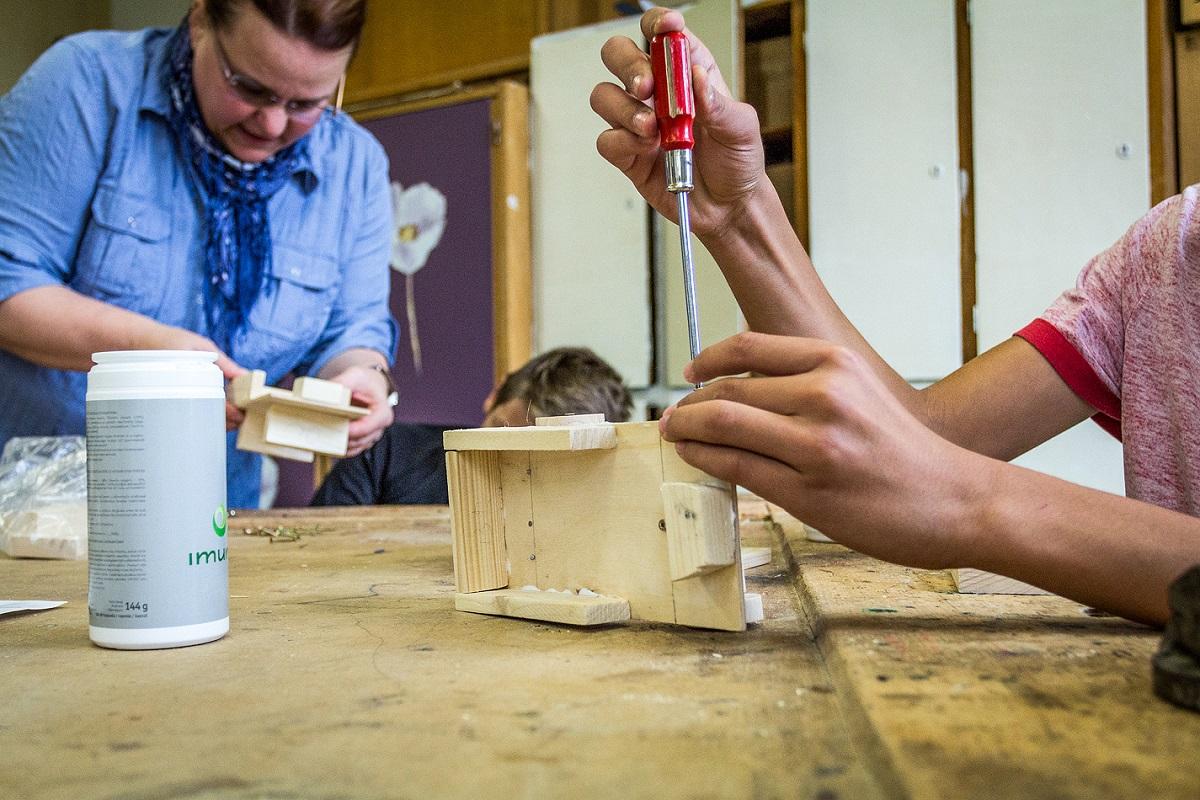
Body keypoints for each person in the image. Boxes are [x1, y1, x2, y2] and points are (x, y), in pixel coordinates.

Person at [590, 6, 1200, 625]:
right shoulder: (1172, 250)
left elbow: (937, 481)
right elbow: (922, 448)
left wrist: (968, 504)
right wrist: (740, 214)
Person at [0, 0, 397, 509]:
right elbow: (10, 283)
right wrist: (167, 357)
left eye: (308, 103)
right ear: (200, 21)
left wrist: (362, 378)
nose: (273, 125)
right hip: (33, 507)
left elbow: (352, 329)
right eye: (250, 88)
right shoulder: (86, 83)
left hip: (212, 512)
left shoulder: (355, 165)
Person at [311, 347, 633, 506]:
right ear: (494, 395)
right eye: (501, 436)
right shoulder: (384, 455)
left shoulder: (598, 516)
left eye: (538, 460)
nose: (510, 466)